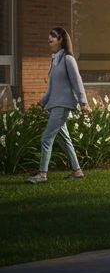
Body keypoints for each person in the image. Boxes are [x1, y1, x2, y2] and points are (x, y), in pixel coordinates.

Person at [28, 27, 87, 183]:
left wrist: (84, 103)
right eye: (49, 35)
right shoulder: (55, 60)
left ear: (61, 39)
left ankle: (42, 174)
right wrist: (41, 103)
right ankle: (77, 170)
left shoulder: (68, 59)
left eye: (53, 36)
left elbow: (77, 82)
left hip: (62, 105)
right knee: (64, 140)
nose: (49, 38)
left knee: (46, 138)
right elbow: (52, 88)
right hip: (54, 104)